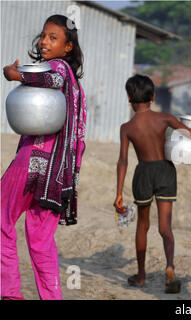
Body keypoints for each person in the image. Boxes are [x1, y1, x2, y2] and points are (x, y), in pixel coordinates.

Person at [1, 15, 86, 300]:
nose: (44, 42)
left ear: (68, 47)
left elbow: (52, 77)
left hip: (32, 159)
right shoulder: (75, 85)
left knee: (2, 220)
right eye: (44, 36)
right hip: (56, 171)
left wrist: (17, 75)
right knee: (40, 240)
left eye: (53, 38)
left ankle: (10, 293)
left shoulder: (57, 69)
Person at [113, 74, 191, 293]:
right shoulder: (164, 118)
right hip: (165, 171)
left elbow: (123, 160)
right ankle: (170, 268)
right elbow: (190, 135)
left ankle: (141, 276)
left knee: (143, 225)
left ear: (128, 97)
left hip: (143, 172)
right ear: (153, 96)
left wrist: (118, 193)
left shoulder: (127, 127)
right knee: (164, 226)